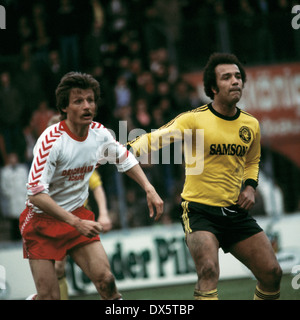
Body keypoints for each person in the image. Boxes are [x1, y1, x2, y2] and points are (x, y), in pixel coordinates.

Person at [127, 53, 282, 300]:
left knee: (272, 273)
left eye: (238, 76)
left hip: (234, 213)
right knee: (208, 271)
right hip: (200, 212)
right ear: (212, 87)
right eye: (227, 77)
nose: (235, 82)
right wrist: (128, 149)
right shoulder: (194, 119)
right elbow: (157, 137)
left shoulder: (250, 124)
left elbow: (252, 161)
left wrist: (251, 186)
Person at [20, 71, 163, 300]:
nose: (87, 106)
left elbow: (124, 158)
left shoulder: (99, 134)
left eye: (90, 100)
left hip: (77, 215)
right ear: (64, 107)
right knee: (49, 297)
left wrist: (149, 188)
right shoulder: (50, 141)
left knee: (106, 282)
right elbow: (35, 194)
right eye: (78, 101)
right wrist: (77, 223)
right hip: (41, 222)